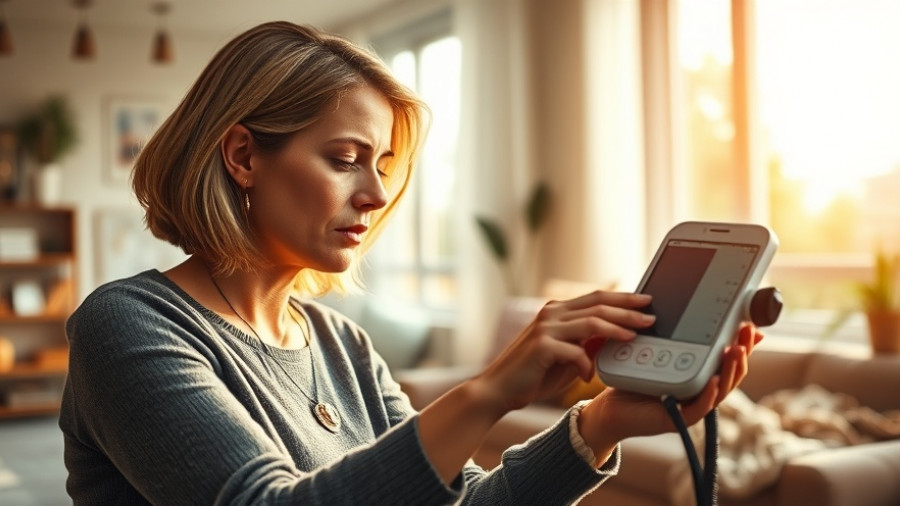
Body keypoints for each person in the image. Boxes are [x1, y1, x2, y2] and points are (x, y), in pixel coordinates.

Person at [59, 21, 762, 505]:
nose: (375, 193)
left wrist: (599, 423)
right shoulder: (128, 325)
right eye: (345, 159)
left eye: (384, 167)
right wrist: (487, 392)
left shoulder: (343, 345)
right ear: (244, 156)